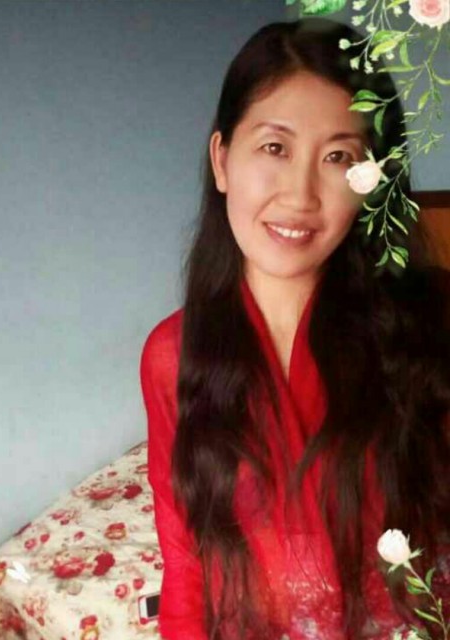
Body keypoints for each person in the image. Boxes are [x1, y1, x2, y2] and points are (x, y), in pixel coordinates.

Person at [139, 16, 450, 640]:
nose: (301, 195)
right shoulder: (173, 354)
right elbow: (188, 555)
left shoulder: (429, 319)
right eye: (275, 148)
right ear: (223, 160)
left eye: (339, 157)